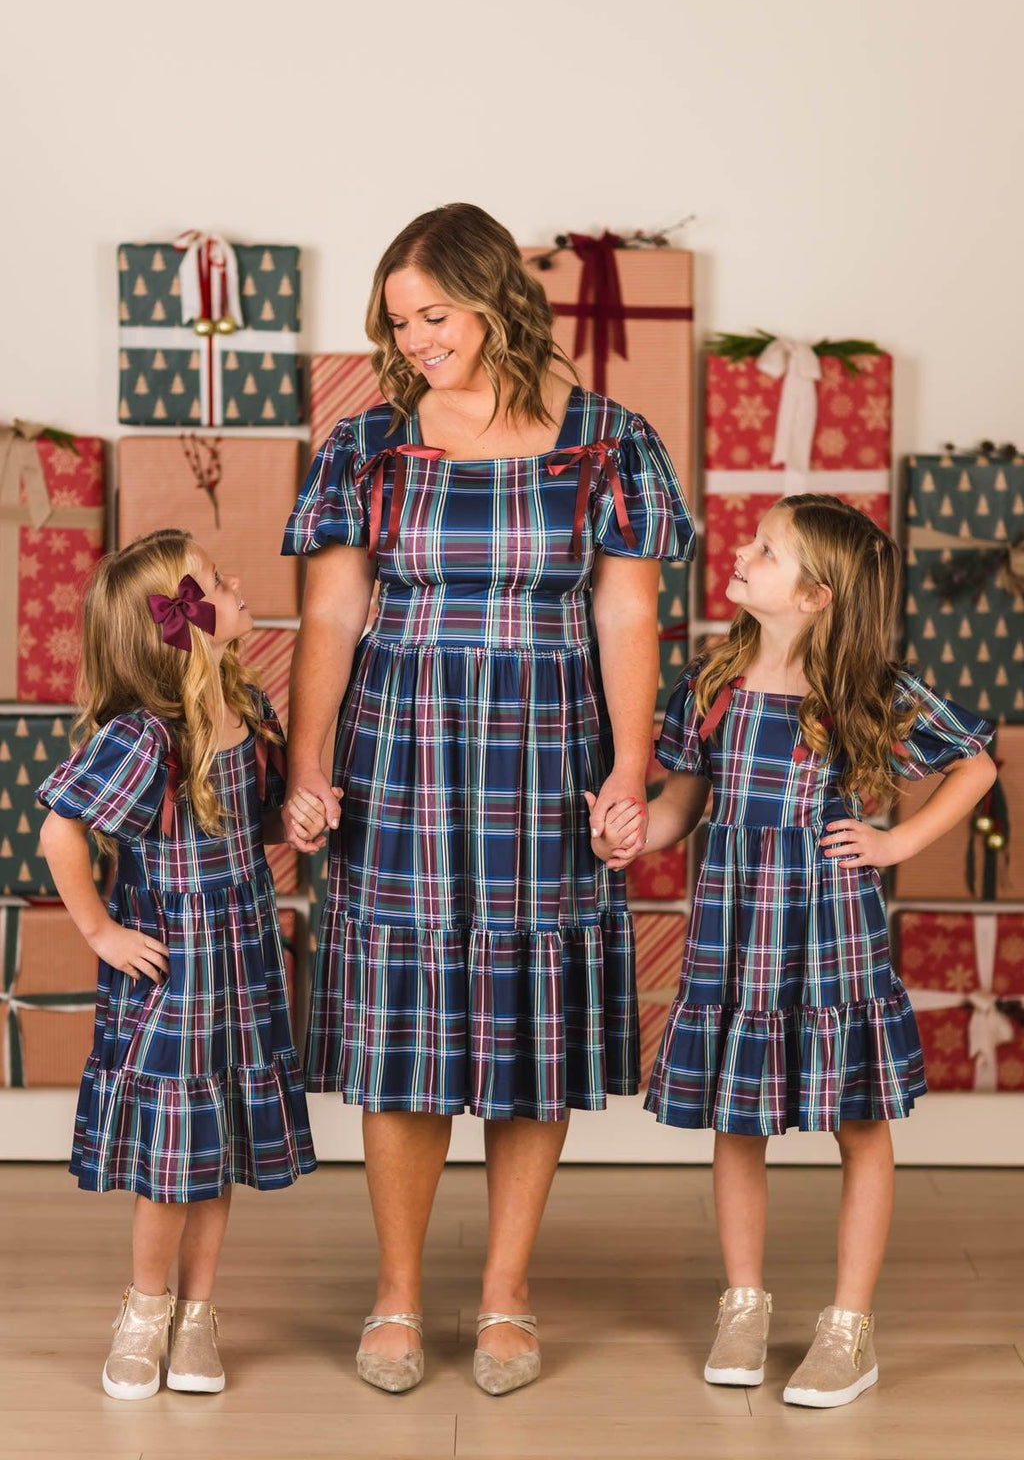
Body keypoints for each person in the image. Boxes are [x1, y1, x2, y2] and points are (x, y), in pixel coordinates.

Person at [281, 202, 694, 1394]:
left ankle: (508, 1293)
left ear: (496, 299)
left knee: (530, 1024)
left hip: (548, 750)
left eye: (434, 315)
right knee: (403, 1024)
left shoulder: (609, 440)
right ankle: (398, 1295)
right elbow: (329, 613)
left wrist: (628, 767)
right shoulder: (367, 444)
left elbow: (626, 614)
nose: (415, 340)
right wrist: (308, 763)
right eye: (398, 322)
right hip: (399, 750)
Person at [590, 494, 995, 1409]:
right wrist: (631, 835)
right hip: (736, 934)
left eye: (766, 550)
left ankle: (849, 1326)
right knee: (740, 1118)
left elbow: (976, 761)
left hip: (830, 932)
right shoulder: (712, 682)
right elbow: (681, 804)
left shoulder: (865, 691)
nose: (741, 551)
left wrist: (895, 842)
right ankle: (743, 1304)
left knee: (861, 1123)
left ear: (816, 597)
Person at [37, 530, 316, 1401]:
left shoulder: (246, 706)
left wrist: (295, 823)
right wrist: (101, 934)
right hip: (177, 969)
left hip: (241, 958)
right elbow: (59, 830)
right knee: (171, 1151)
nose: (236, 583)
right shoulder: (144, 738)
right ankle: (145, 1308)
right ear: (184, 623)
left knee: (214, 1140)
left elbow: (252, 819)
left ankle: (198, 1315)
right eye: (217, 581)